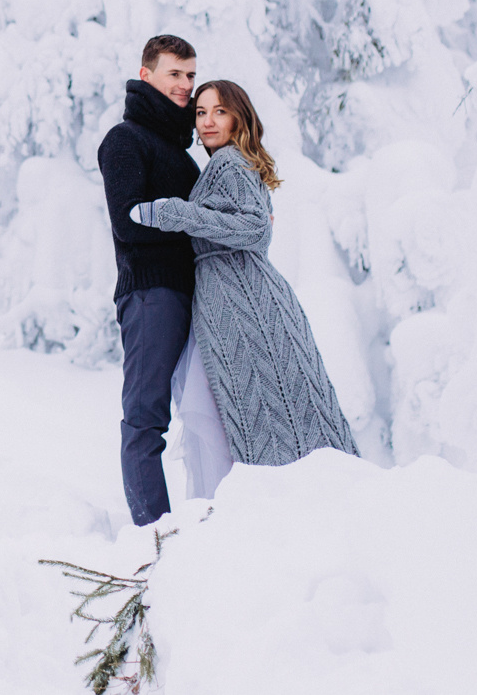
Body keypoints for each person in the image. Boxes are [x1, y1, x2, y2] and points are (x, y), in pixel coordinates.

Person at [132, 80, 359, 472]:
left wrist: (175, 214)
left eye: (219, 111)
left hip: (245, 304)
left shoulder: (230, 162)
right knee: (255, 408)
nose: (207, 122)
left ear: (239, 116)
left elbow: (256, 228)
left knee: (252, 408)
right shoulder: (226, 164)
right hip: (238, 300)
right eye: (200, 112)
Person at [97, 34, 201, 528]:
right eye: (174, 74)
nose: (185, 86)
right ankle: (154, 537)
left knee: (202, 414)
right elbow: (128, 221)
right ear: (147, 76)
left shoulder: (180, 154)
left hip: (190, 295)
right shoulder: (126, 140)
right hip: (151, 294)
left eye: (190, 76)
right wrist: (197, 219)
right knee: (145, 421)